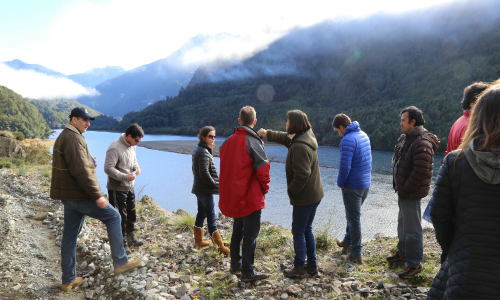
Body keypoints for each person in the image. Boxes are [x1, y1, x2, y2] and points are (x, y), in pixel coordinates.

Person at [51, 107, 140, 291]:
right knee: (114, 217)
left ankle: (68, 280)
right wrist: (98, 196)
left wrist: (90, 163)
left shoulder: (65, 136)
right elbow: (81, 172)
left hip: (68, 195)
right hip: (79, 194)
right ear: (74, 120)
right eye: (84, 120)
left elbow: (75, 165)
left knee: (69, 236)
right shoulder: (73, 138)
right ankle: (120, 262)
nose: (88, 123)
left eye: (89, 120)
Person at [426, 86, 500, 300]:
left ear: (478, 116)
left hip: (463, 274)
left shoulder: (455, 161)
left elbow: (439, 215)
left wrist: (455, 248)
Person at [258, 110, 324, 278]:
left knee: (298, 231)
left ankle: (300, 266)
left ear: (294, 124)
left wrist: (291, 191)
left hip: (305, 196)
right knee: (306, 229)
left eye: (287, 121)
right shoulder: (305, 136)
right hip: (314, 193)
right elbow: (286, 138)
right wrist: (268, 134)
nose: (285, 124)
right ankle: (312, 265)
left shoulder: (300, 146)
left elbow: (302, 175)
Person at [219, 106, 271, 282]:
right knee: (250, 235)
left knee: (237, 231)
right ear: (254, 122)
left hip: (235, 196)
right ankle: (248, 272)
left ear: (239, 121)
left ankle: (235, 264)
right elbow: (264, 170)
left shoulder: (227, 142)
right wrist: (264, 189)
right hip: (250, 197)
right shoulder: (254, 142)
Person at [387, 106, 440, 278]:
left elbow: (421, 171)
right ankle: (402, 253)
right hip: (404, 192)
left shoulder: (421, 141)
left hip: (410, 193)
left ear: (413, 122)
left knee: (412, 229)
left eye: (403, 120)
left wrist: (405, 188)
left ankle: (415, 264)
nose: (400, 123)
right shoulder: (408, 138)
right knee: (403, 225)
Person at [331, 114, 372, 264]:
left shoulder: (347, 140)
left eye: (337, 130)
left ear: (342, 127)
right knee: (352, 216)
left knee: (354, 219)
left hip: (352, 186)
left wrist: (340, 183)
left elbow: (345, 166)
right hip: (364, 184)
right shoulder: (363, 135)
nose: (338, 133)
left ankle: (356, 254)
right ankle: (347, 242)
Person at [104, 123, 144, 247]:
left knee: (131, 213)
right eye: (137, 140)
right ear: (129, 136)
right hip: (117, 188)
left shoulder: (133, 145)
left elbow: (134, 160)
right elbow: (108, 168)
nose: (138, 143)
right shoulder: (115, 147)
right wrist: (125, 176)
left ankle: (131, 238)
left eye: (139, 141)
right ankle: (121, 244)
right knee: (119, 217)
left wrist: (136, 167)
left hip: (129, 186)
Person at [191, 126, 229, 255]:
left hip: (199, 189)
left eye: (214, 136)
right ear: (203, 137)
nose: (213, 139)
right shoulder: (203, 151)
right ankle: (220, 248)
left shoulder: (200, 149)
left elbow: (198, 172)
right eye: (210, 136)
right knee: (212, 218)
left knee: (201, 214)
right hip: (205, 190)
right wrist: (215, 185)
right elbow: (204, 173)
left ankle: (199, 241)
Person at [444, 82, 489, 158]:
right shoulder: (474, 126)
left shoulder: (458, 122)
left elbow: (447, 154)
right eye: (485, 101)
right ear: (473, 104)